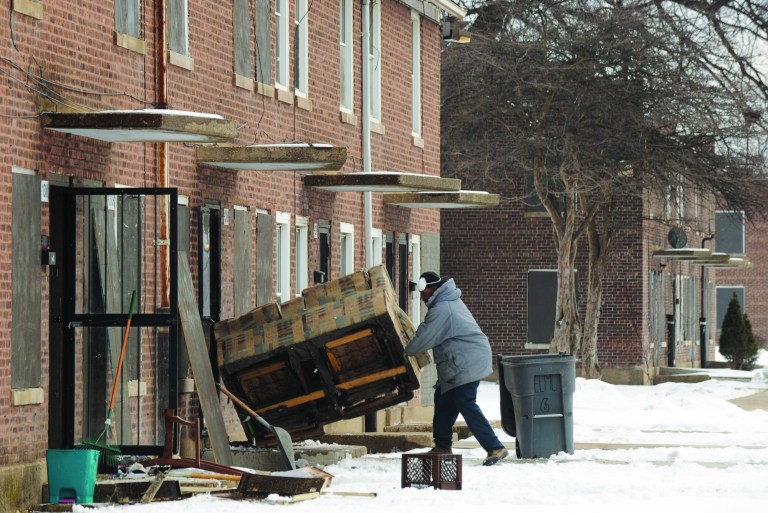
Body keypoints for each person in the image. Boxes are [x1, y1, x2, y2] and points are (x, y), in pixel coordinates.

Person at [404, 271, 509, 466]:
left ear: (434, 288)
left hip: (467, 361)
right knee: (443, 399)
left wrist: (401, 350)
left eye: (424, 290)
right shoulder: (445, 303)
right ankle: (442, 446)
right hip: (461, 360)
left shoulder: (443, 309)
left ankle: (495, 447)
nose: (422, 296)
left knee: (465, 401)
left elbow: (420, 342)